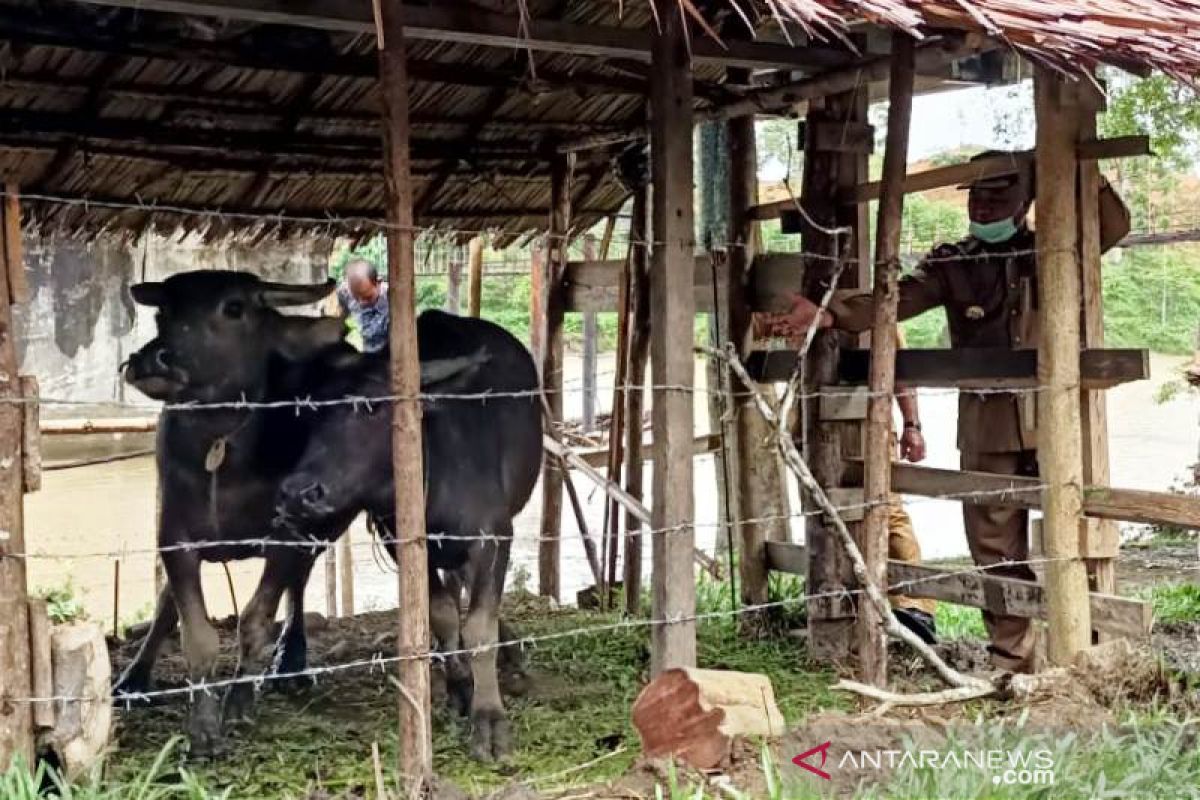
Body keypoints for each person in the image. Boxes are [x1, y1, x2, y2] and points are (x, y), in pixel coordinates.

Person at [759, 151, 1130, 672]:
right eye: (976, 197)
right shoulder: (954, 263)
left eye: (998, 196)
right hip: (987, 424)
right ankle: (1012, 664)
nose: (984, 207)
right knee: (995, 548)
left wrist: (1060, 163)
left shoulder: (1059, 247)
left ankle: (1087, 659)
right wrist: (825, 312)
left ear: (1026, 200)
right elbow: (893, 298)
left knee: (1078, 533)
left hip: (1060, 420)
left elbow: (1115, 223)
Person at [888, 327, 938, 645]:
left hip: (872, 424)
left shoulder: (880, 312)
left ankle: (917, 606)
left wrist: (912, 424)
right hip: (812, 427)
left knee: (889, 513)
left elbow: (901, 371)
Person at [336, 258, 390, 353]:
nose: (361, 303)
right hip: (367, 352)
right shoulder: (344, 293)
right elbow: (341, 317)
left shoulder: (393, 297)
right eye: (356, 297)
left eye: (368, 297)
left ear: (378, 283)